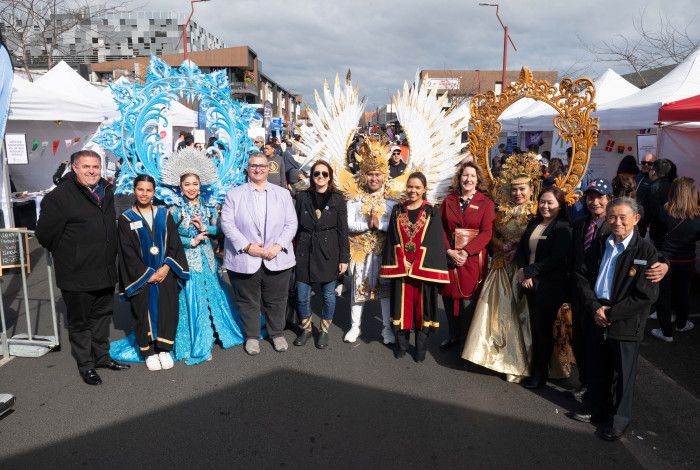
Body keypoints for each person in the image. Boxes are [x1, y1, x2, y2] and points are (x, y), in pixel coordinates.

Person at [36, 149, 130, 386]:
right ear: (74, 168)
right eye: (86, 167)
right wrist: (72, 254)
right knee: (80, 323)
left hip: (105, 271)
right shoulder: (59, 197)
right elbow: (45, 234)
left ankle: (102, 357)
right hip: (76, 274)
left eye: (95, 167)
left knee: (101, 318)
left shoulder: (106, 191)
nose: (91, 171)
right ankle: (86, 365)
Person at [573, 197, 659, 441]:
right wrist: (594, 307)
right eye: (612, 217)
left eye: (623, 217)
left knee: (624, 374)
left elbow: (646, 295)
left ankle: (619, 421)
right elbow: (582, 276)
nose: (617, 222)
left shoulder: (645, 251)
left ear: (636, 219)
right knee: (598, 367)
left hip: (625, 320)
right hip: (597, 312)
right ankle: (599, 410)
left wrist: (611, 314)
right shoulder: (601, 243)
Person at [462, 153, 541, 382]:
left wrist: (519, 249)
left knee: (519, 315)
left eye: (522, 189)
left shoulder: (536, 212)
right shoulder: (502, 211)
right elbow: (491, 235)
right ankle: (495, 356)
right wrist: (501, 245)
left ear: (531, 189)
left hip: (522, 269)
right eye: (514, 189)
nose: (518, 194)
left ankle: (518, 360)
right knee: (496, 314)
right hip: (499, 266)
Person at [166, 153, 246, 365]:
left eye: (195, 184)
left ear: (200, 185)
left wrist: (206, 228)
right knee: (194, 299)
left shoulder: (209, 207)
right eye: (187, 184)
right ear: (180, 187)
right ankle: (198, 340)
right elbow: (169, 238)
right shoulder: (174, 210)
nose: (191, 188)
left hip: (209, 260)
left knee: (216, 294)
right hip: (188, 262)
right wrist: (189, 242)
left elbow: (221, 229)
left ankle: (222, 332)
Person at [221, 152, 298, 355]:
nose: (258, 169)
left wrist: (278, 245)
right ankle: (252, 336)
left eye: (262, 166)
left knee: (277, 299)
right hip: (245, 257)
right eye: (254, 165)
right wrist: (247, 246)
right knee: (248, 300)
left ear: (268, 168)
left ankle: (277, 333)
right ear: (248, 168)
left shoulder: (282, 194)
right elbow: (227, 224)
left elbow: (291, 223)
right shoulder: (234, 195)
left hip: (277, 256)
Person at [112, 175, 189, 371]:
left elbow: (175, 245)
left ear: (154, 192)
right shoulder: (126, 218)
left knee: (167, 309)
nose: (144, 194)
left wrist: (165, 268)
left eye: (148, 190)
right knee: (142, 311)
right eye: (140, 189)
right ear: (134, 190)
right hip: (141, 277)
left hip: (166, 272)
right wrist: (148, 274)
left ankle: (164, 348)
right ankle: (148, 351)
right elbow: (126, 252)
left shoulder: (164, 214)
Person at [380, 172, 449, 362]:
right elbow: (393, 238)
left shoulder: (431, 211)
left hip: (422, 269)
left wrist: (417, 263)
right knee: (401, 307)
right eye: (410, 186)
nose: (413, 190)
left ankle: (420, 349)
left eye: (418, 187)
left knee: (422, 308)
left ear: (424, 190)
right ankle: (401, 345)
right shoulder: (397, 210)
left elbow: (433, 240)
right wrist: (403, 261)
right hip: (402, 268)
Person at [515, 187, 572, 389]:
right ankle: (530, 367)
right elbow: (521, 249)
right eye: (542, 202)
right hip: (527, 281)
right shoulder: (534, 222)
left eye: (550, 203)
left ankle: (540, 374)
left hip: (547, 286)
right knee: (531, 327)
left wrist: (531, 272)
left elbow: (556, 259)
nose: (545, 206)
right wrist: (523, 269)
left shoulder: (562, 227)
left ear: (560, 205)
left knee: (542, 331)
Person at [344, 140, 398, 345]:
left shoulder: (391, 203)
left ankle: (387, 329)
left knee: (385, 292)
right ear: (364, 175)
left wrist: (380, 226)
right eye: (370, 174)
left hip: (383, 253)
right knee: (358, 292)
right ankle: (354, 327)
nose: (374, 178)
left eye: (378, 175)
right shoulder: (354, 200)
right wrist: (367, 224)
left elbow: (393, 226)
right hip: (360, 252)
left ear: (384, 176)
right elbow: (349, 223)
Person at [292, 160, 350, 348]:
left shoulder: (338, 199)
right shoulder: (302, 197)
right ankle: (307, 329)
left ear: (330, 176)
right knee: (301, 296)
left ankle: (324, 330)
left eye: (325, 174)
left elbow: (343, 231)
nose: (320, 177)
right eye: (317, 174)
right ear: (312, 176)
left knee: (328, 296)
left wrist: (344, 258)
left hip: (328, 250)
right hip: (305, 250)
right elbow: (294, 226)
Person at [439, 161, 495, 350]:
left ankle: (467, 341)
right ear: (459, 178)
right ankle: (453, 334)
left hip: (472, 258)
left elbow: (487, 232)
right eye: (465, 175)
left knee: (468, 300)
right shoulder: (449, 201)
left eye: (472, 176)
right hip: (450, 256)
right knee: (448, 297)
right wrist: (448, 251)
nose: (468, 179)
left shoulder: (486, 203)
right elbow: (440, 229)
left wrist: (466, 251)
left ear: (478, 179)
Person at [650, 177, 700, 342]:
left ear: (673, 191)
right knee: (683, 293)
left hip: (664, 259)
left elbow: (654, 235)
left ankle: (666, 332)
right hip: (687, 261)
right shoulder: (697, 215)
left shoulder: (662, 211)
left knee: (664, 296)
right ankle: (681, 323)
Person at [646, 159, 677, 248]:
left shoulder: (653, 188)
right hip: (672, 228)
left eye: (650, 169)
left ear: (654, 172)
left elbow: (651, 211)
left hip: (657, 229)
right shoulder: (674, 185)